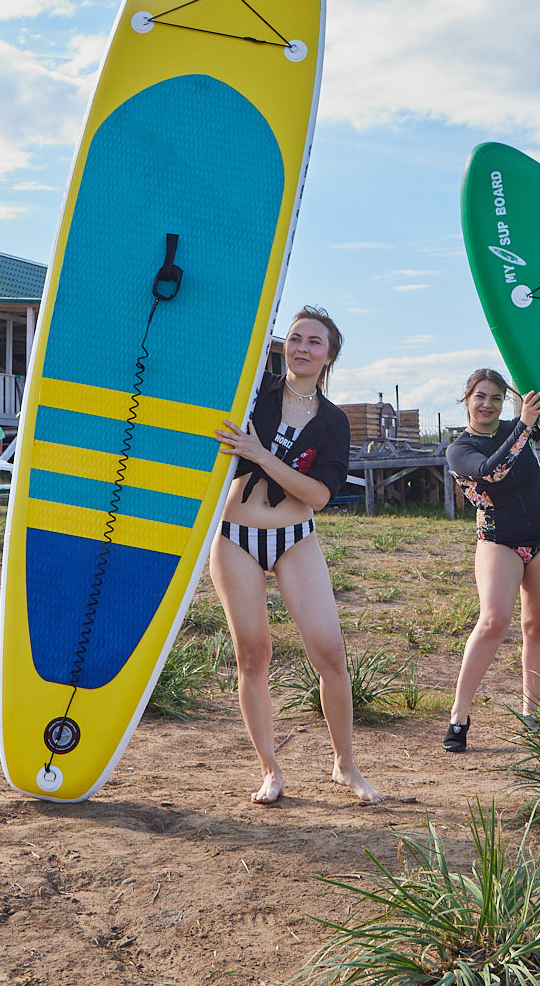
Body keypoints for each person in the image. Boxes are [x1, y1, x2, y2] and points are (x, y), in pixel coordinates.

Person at [210, 306, 383, 805]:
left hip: (295, 538)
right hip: (234, 536)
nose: (302, 348)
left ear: (329, 357)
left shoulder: (333, 422)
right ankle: (270, 769)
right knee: (253, 654)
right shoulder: (252, 393)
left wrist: (262, 454)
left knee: (330, 652)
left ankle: (345, 765)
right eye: (295, 338)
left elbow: (320, 495)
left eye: (315, 342)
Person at [442, 369, 540, 752]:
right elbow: (491, 472)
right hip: (499, 540)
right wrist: (524, 425)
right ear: (467, 399)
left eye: (496, 398)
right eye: (480, 396)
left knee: (538, 627)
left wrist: (530, 414)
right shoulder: (459, 449)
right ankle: (459, 715)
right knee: (494, 621)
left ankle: (532, 715)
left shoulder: (522, 428)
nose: (487, 405)